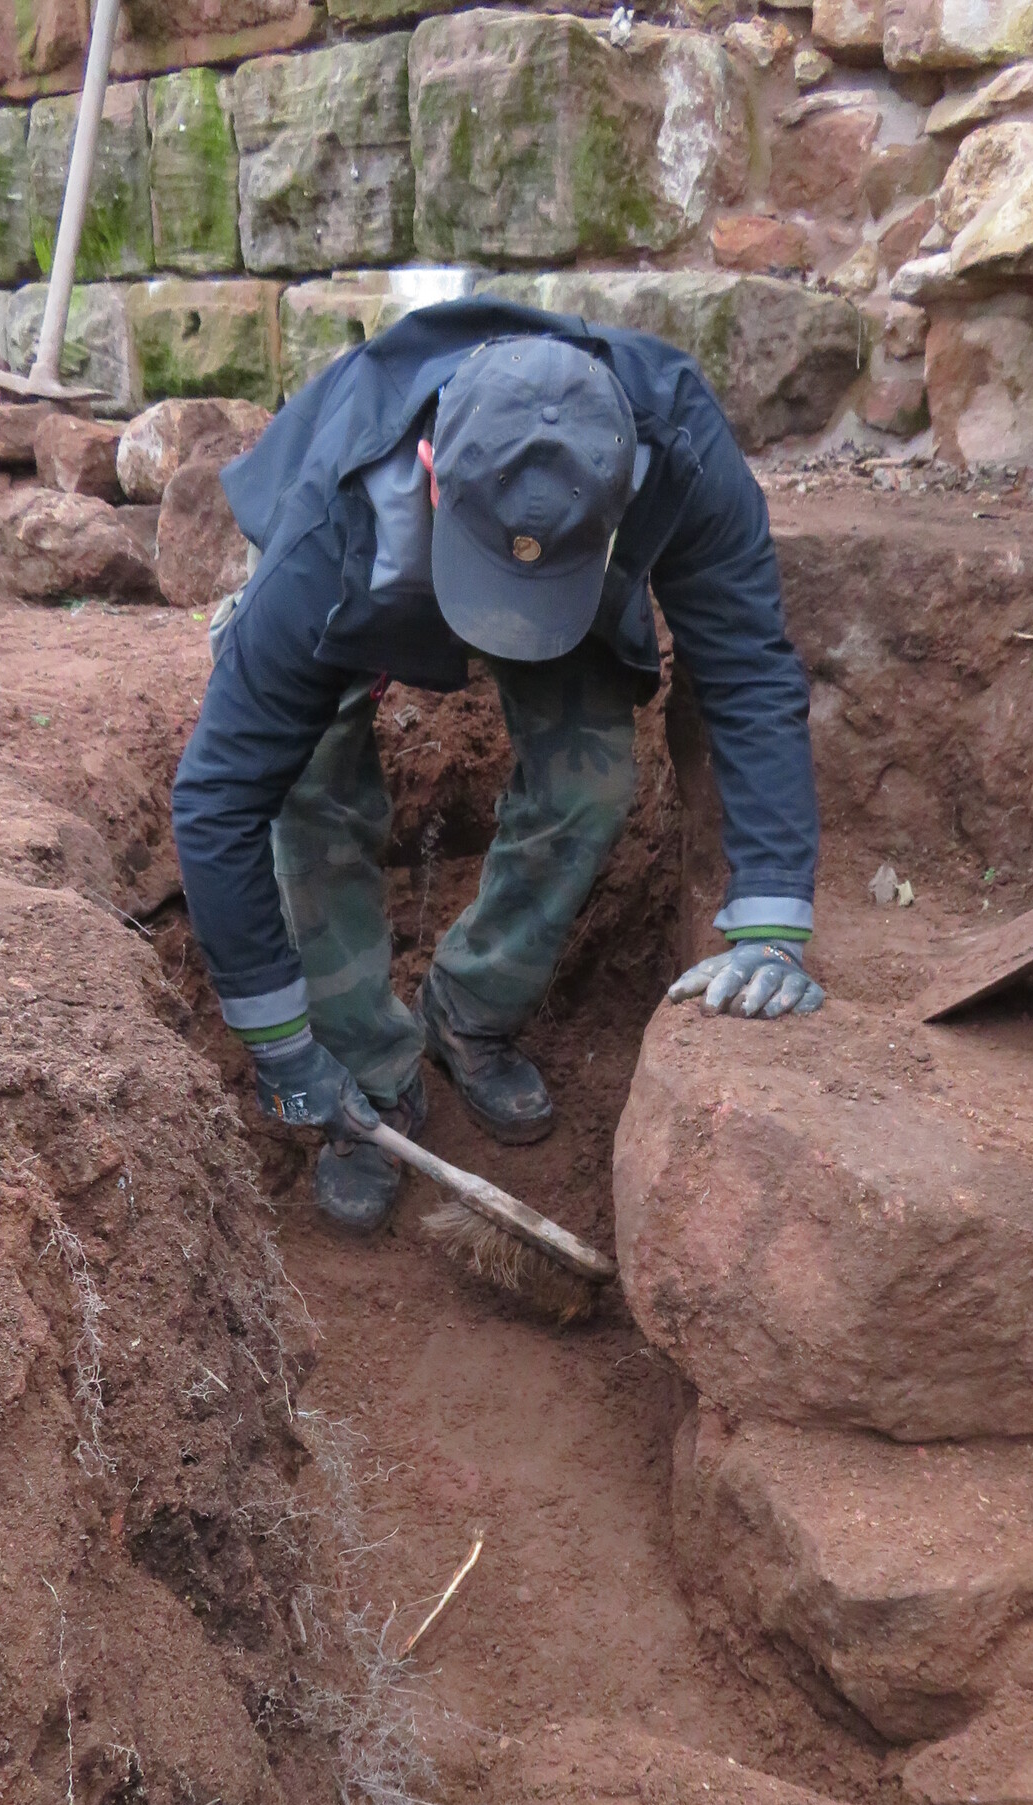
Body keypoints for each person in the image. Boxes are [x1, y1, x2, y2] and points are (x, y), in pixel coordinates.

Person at [171, 295, 825, 1233]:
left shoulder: (677, 447)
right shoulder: (329, 523)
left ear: (624, 494)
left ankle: (469, 1010)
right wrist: (280, 1046)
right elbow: (220, 799)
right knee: (311, 793)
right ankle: (365, 1069)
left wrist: (771, 922)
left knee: (590, 784)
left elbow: (749, 669)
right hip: (365, 559)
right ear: (433, 472)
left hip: (571, 567)